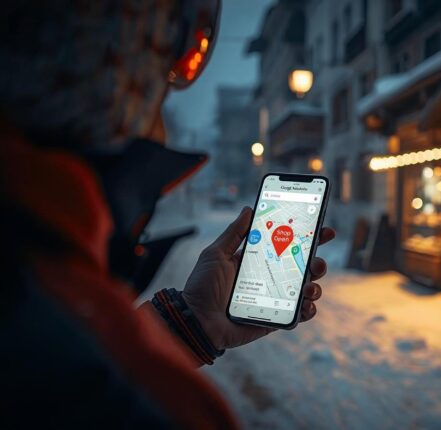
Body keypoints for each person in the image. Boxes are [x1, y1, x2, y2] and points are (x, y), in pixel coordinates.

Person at [0, 1, 334, 427]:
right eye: (159, 84)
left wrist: (195, 320)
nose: (160, 125)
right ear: (111, 90)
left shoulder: (33, 281)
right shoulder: (141, 402)